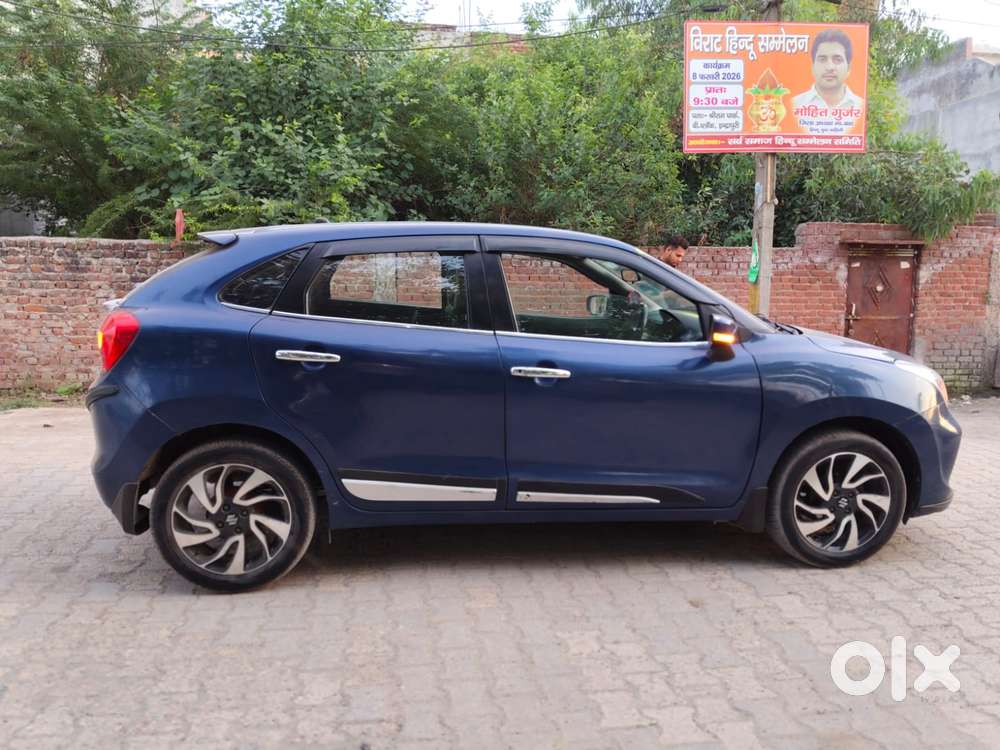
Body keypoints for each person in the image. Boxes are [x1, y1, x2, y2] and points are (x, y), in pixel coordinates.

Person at [792, 28, 864, 133]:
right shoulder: (794, 104)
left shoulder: (860, 106)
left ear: (848, 68)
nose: (830, 67)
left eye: (837, 59)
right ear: (812, 67)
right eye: (822, 59)